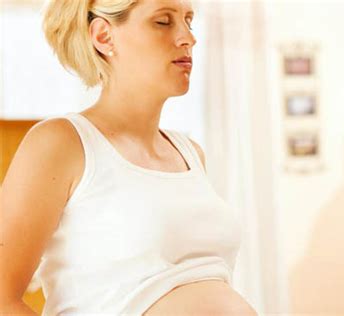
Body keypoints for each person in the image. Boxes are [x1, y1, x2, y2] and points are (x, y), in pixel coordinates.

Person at [0, 0, 258, 315]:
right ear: (104, 37)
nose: (188, 37)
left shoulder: (189, 152)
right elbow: (3, 298)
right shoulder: (61, 144)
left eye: (189, 20)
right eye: (163, 21)